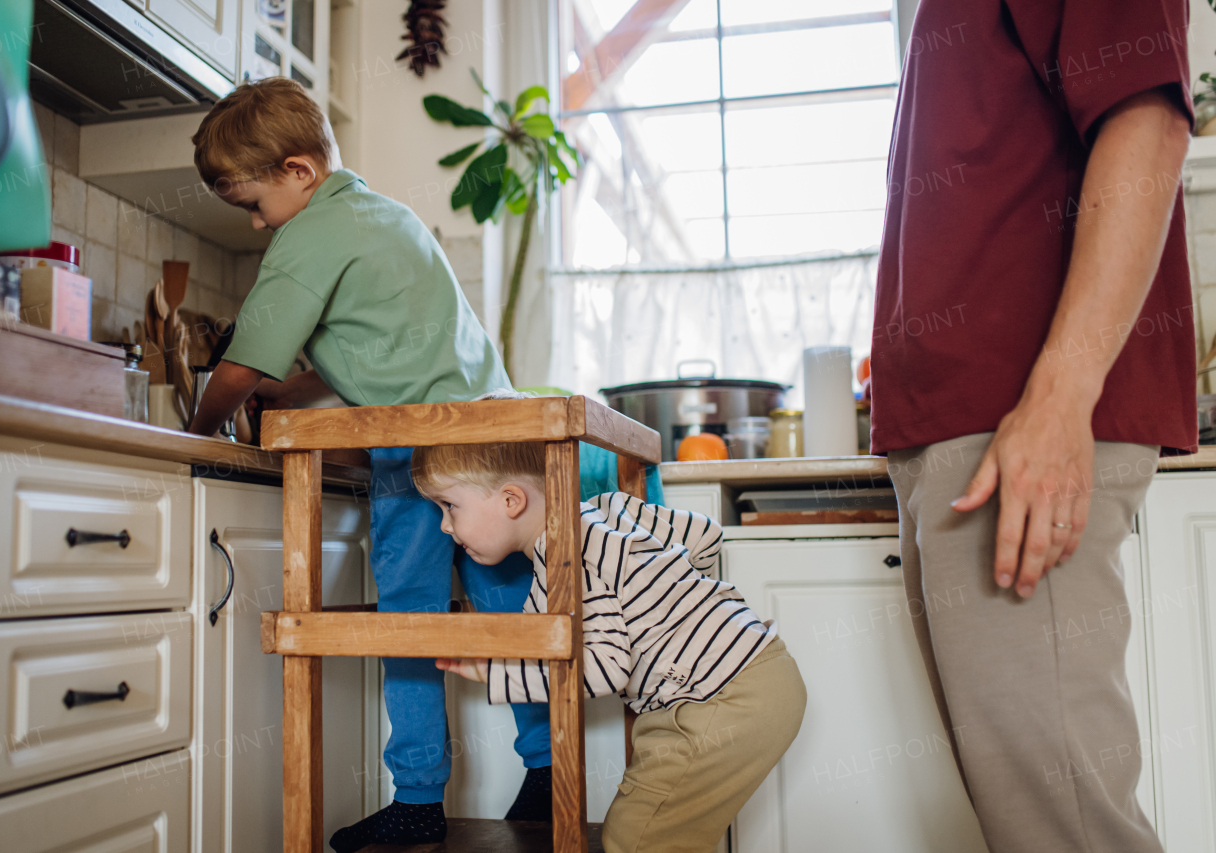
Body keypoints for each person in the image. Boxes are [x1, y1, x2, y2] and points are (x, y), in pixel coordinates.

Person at [184, 77, 552, 847]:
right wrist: (291, 382)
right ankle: (549, 776)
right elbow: (364, 348)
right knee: (511, 613)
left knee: (408, 619)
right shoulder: (384, 214)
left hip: (420, 449)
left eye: (254, 203)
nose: (256, 223)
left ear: (299, 173)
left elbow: (243, 365)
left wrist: (202, 423)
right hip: (493, 438)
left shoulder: (308, 233)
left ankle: (418, 796)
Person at [870, 2, 1195, 851]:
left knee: (1064, 829)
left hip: (1017, 423)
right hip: (964, 431)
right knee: (1034, 824)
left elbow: (1146, 118)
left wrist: (1057, 403)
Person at [412, 439, 807, 853]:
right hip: (760, 666)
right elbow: (706, 536)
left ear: (511, 500)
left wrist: (494, 671)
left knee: (637, 838)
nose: (443, 525)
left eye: (449, 506)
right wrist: (676, 603)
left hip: (723, 696)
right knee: (668, 833)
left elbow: (604, 668)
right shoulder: (608, 508)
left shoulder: (566, 556)